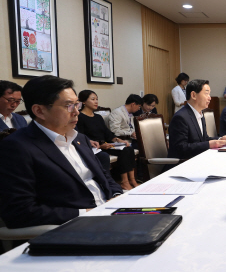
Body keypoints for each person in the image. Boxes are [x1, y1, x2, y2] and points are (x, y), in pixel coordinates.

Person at [0, 75, 122, 229]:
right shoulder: (17, 147)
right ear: (39, 111)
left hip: (110, 215)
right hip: (75, 227)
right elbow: (19, 212)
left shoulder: (80, 139)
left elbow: (105, 177)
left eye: (77, 104)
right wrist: (85, 213)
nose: (77, 112)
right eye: (69, 106)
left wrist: (117, 198)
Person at [77, 90, 138, 190]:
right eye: (93, 99)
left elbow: (107, 133)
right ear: (83, 101)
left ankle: (132, 180)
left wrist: (118, 140)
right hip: (94, 147)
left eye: (97, 99)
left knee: (128, 149)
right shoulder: (80, 117)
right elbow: (82, 136)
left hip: (106, 144)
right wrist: (100, 146)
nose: (96, 102)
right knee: (107, 154)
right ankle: (124, 182)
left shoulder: (98, 117)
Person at [167, 79, 226, 165]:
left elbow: (203, 139)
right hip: (182, 165)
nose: (209, 98)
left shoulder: (199, 114)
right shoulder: (180, 117)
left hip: (197, 160)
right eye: (206, 93)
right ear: (193, 95)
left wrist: (219, 139)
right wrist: (210, 144)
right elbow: (181, 148)